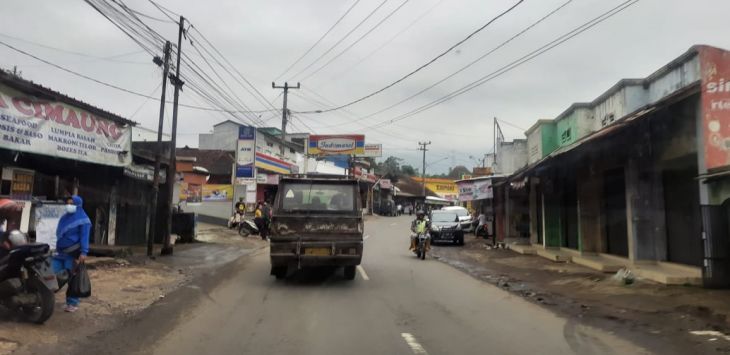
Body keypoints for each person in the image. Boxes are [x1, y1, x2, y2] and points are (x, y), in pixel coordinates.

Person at [54, 195, 91, 313]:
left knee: (72, 278)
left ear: (78, 205)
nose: (69, 206)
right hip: (60, 253)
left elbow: (84, 237)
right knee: (51, 273)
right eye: (68, 203)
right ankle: (45, 298)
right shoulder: (64, 218)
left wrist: (84, 252)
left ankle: (72, 303)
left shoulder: (84, 220)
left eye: (72, 204)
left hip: (72, 254)